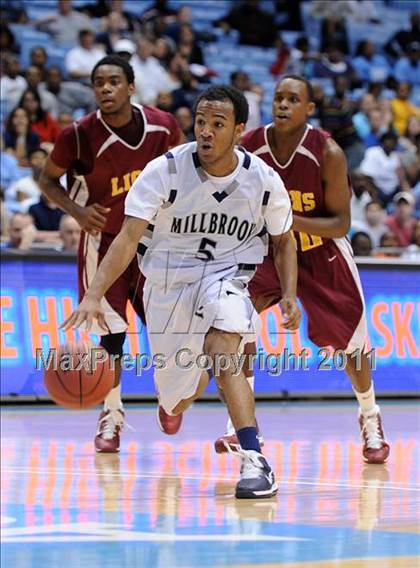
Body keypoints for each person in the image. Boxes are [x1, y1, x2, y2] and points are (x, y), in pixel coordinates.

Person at [61, 85, 301, 499]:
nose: (206, 132)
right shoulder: (165, 171)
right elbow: (125, 239)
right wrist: (93, 294)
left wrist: (290, 294)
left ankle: (255, 458)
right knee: (178, 398)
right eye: (201, 122)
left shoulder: (263, 181)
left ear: (239, 130)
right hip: (167, 287)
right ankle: (176, 397)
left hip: (226, 276)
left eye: (218, 124)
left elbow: (284, 241)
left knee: (226, 344)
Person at [215, 75, 390, 465]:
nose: (283, 104)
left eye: (293, 99)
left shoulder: (326, 151)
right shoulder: (252, 147)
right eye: (278, 97)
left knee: (352, 346)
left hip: (320, 253)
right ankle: (240, 422)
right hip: (267, 251)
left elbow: (341, 224)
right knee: (234, 320)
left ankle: (369, 414)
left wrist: (288, 219)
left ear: (308, 109)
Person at [39, 55, 181, 453]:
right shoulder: (79, 135)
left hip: (155, 241)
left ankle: (169, 397)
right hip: (104, 242)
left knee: (167, 329)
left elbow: (186, 173)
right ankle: (112, 413)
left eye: (113, 81)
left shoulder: (163, 126)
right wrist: (77, 211)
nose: (104, 88)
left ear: (130, 87)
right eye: (98, 82)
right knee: (112, 334)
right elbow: (47, 180)